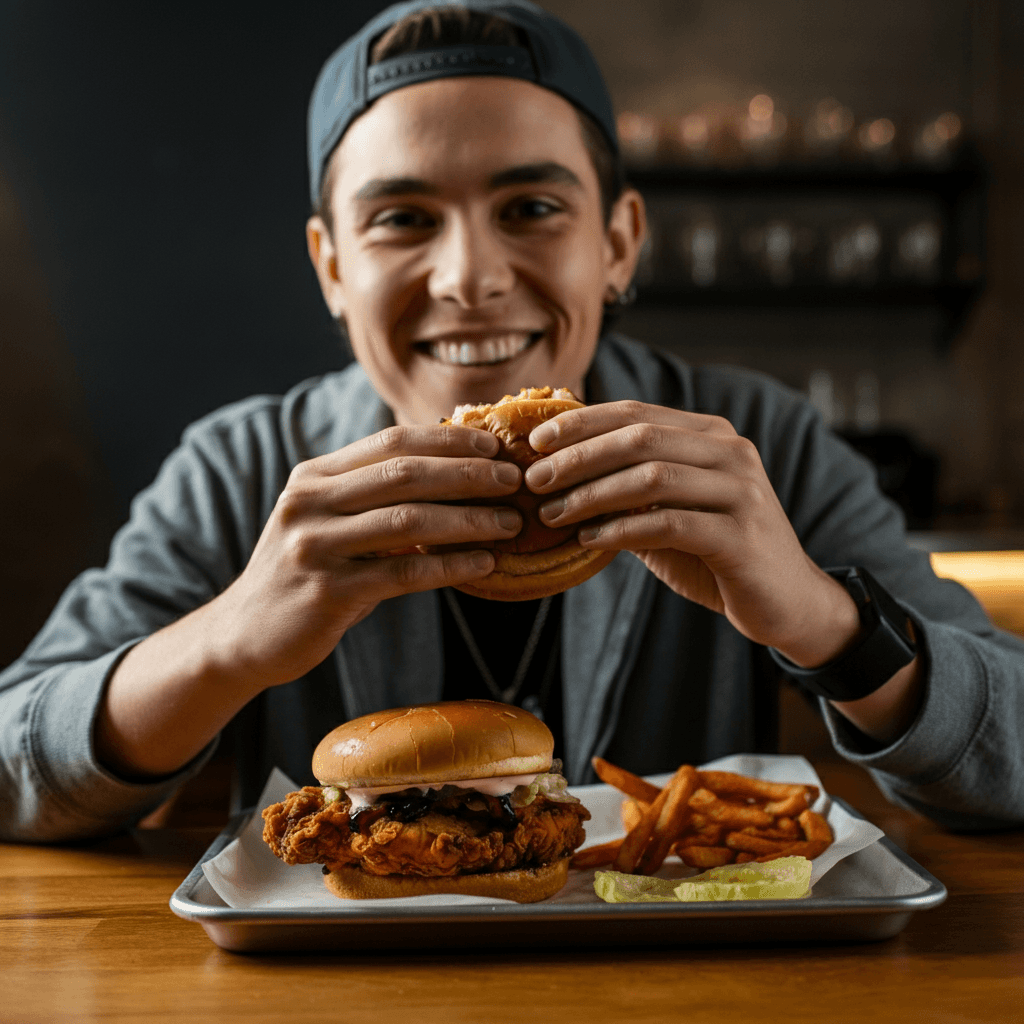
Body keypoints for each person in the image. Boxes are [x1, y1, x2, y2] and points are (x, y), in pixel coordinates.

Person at [1, 0, 1021, 843]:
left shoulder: (760, 442)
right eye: (401, 219)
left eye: (531, 207)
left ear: (618, 244)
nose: (473, 278)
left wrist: (824, 625)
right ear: (332, 268)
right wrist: (230, 640)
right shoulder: (243, 468)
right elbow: (12, 761)